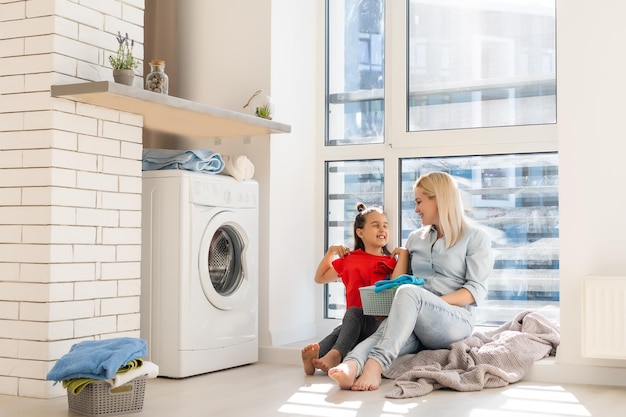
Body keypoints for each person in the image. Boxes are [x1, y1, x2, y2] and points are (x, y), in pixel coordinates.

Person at [328, 171, 494, 391]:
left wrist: (428, 303)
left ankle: (375, 365)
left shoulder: (475, 237)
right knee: (384, 331)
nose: (416, 209)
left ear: (439, 199)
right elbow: (399, 284)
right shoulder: (416, 238)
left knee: (409, 294)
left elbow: (474, 291)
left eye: (419, 202)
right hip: (418, 316)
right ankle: (351, 363)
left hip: (455, 319)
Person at [302, 203, 409, 375]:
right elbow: (320, 278)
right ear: (360, 233)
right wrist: (331, 252)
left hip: (378, 324)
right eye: (376, 225)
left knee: (352, 314)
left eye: (385, 225)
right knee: (344, 326)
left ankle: (335, 355)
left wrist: (403, 255)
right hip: (354, 325)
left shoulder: (390, 262)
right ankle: (315, 358)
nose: (382, 229)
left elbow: (397, 284)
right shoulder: (350, 259)